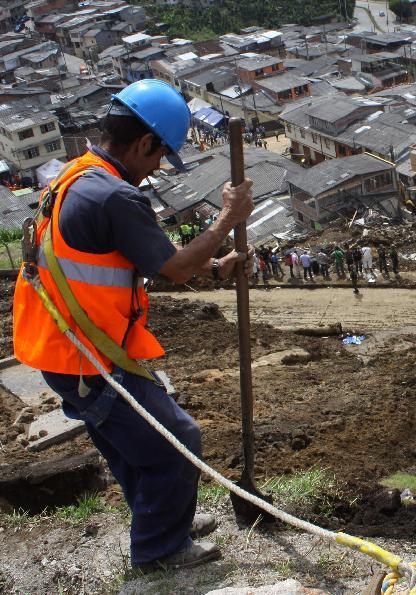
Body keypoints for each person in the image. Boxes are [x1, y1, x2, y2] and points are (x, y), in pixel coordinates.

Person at [12, 80, 255, 572]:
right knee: (176, 440)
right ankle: (160, 549)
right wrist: (227, 219)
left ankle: (162, 522)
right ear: (145, 142)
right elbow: (173, 268)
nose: (159, 168)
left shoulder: (77, 175)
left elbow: (147, 258)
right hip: (88, 356)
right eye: (161, 155)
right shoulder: (114, 196)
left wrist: (214, 266)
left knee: (130, 445)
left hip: (67, 346)